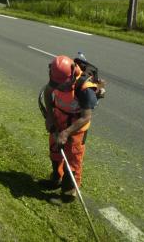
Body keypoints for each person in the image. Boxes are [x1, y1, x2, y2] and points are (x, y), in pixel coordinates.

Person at [42, 55, 102, 202]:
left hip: (76, 129)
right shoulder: (56, 80)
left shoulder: (84, 88)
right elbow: (48, 92)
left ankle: (68, 192)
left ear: (71, 76)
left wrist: (66, 132)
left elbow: (86, 117)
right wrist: (50, 116)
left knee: (73, 161)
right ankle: (55, 178)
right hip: (58, 121)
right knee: (55, 152)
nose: (59, 87)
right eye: (56, 84)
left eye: (62, 85)